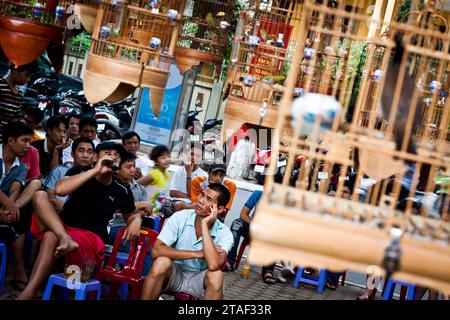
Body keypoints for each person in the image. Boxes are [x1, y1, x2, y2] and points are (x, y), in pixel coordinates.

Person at [18, 141, 141, 300]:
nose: (112, 157)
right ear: (96, 157)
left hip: (90, 236)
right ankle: (63, 240)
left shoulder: (121, 189)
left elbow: (131, 214)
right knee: (40, 195)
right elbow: (60, 190)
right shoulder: (80, 171)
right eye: (108, 153)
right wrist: (96, 169)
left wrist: (136, 219)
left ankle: (30, 292)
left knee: (50, 237)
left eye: (117, 155)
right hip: (64, 227)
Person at [141, 184, 233, 300]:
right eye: (202, 195)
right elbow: (156, 250)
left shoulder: (224, 232)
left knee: (217, 276)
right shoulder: (180, 217)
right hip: (175, 274)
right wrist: (198, 253)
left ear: (219, 209)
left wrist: (205, 225)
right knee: (161, 262)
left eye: (208, 199)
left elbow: (214, 265)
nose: (200, 200)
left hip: (199, 280)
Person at [0, 121, 39, 291]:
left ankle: (19, 268)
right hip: (4, 203)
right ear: (10, 141)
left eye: (30, 141)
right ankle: (19, 269)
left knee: (35, 185)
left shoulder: (21, 166)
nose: (28, 146)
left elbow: (16, 186)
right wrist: (8, 204)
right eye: (25, 140)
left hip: (5, 206)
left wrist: (10, 206)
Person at [108, 150, 153, 275]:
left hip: (136, 225)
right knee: (128, 243)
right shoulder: (113, 184)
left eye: (134, 166)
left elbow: (147, 212)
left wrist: (135, 211)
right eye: (128, 167)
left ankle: (141, 281)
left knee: (149, 244)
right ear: (117, 169)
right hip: (114, 226)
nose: (133, 170)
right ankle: (127, 279)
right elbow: (114, 207)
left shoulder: (140, 188)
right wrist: (142, 205)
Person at [42, 137, 95, 212]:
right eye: (81, 151)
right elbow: (49, 192)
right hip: (57, 210)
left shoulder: (96, 174)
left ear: (94, 156)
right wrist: (57, 203)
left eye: (89, 152)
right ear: (72, 154)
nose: (85, 155)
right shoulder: (59, 170)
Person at [0, 62, 38, 140]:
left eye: (30, 77)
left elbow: (14, 118)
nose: (28, 80)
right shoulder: (1, 87)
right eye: (26, 75)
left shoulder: (20, 94)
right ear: (15, 70)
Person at [138, 145, 172, 217]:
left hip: (157, 211)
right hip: (147, 210)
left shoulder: (167, 174)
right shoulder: (154, 174)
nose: (167, 160)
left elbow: (165, 193)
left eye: (168, 156)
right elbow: (136, 184)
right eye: (163, 158)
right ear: (155, 161)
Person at [170, 143, 207, 209]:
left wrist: (189, 174)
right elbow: (172, 192)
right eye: (192, 154)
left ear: (202, 159)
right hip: (174, 202)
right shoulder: (179, 171)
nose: (193, 158)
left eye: (198, 156)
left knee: (179, 205)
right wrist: (189, 197)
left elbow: (192, 194)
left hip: (193, 205)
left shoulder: (204, 176)